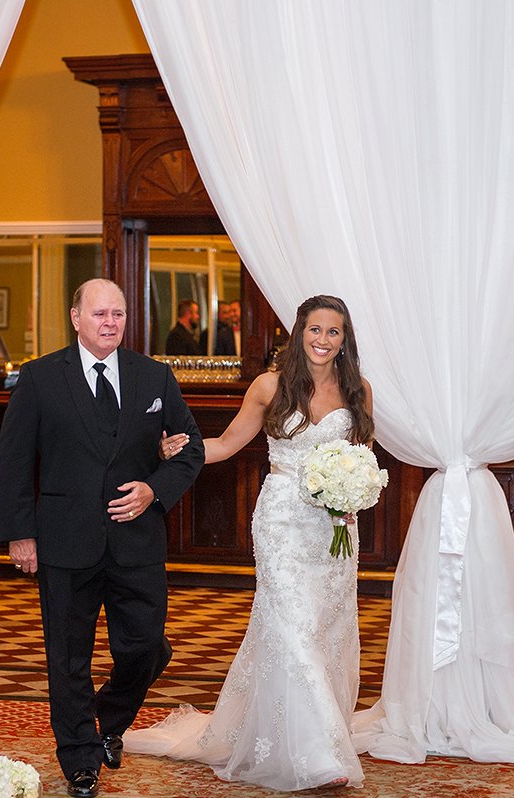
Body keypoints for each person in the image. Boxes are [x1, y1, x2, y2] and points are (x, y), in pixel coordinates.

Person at [127, 295, 375, 791]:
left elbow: (363, 457)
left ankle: (306, 735)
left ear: (345, 340)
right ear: (298, 331)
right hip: (282, 518)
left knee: (326, 626)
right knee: (292, 625)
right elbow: (224, 444)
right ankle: (317, 755)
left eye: (334, 332)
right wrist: (177, 450)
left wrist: (354, 493)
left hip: (333, 526)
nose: (323, 340)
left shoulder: (358, 389)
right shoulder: (270, 386)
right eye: (315, 329)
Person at [0, 278, 204, 798]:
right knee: (68, 657)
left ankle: (107, 720)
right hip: (64, 542)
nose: (110, 322)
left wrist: (153, 490)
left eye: (118, 314)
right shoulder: (41, 378)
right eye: (99, 314)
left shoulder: (155, 376)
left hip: (137, 542)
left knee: (146, 646)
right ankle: (80, 758)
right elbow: (15, 461)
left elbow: (191, 450)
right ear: (75, 318)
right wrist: (21, 534)